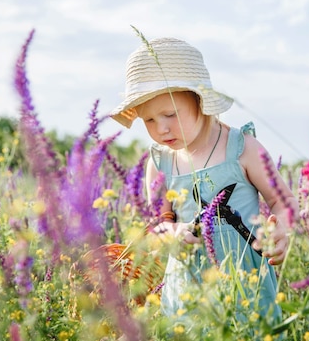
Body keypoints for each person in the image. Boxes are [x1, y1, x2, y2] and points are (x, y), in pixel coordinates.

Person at [110, 37, 296, 326]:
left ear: (200, 100)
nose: (161, 128)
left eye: (170, 114)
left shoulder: (243, 149)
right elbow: (160, 222)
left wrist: (281, 231)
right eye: (148, 120)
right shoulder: (160, 164)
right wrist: (171, 234)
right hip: (187, 290)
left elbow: (284, 202)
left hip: (248, 284)